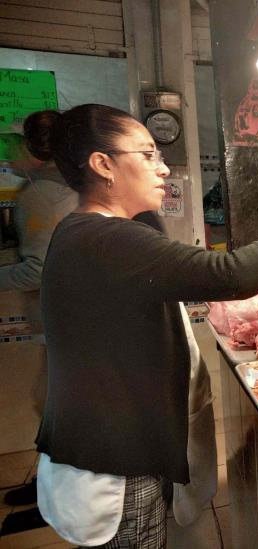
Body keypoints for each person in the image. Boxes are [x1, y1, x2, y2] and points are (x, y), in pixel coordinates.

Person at [32, 103, 258, 548]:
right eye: (147, 155)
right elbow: (231, 275)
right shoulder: (105, 239)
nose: (163, 168)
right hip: (111, 464)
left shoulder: (92, 232)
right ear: (103, 164)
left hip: (110, 450)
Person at [0, 113, 78, 509]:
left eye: (13, 144)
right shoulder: (69, 186)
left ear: (34, 149)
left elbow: (37, 268)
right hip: (74, 320)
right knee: (52, 404)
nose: (9, 152)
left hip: (65, 321)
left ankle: (61, 491)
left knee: (53, 405)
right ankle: (58, 486)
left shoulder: (40, 194)